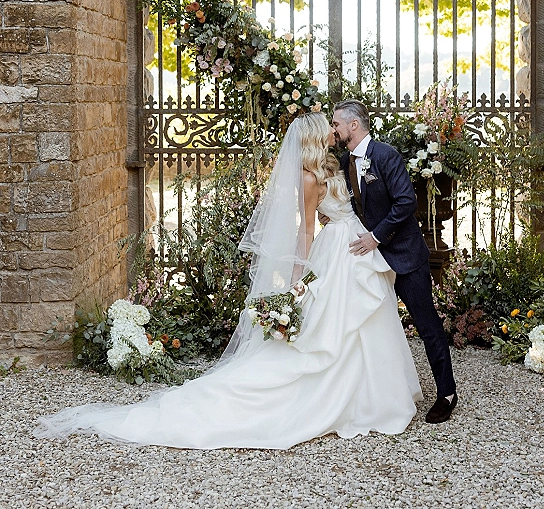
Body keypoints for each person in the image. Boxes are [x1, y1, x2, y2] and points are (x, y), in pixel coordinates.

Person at [35, 113, 422, 450]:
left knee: (361, 321)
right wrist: (297, 278)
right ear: (313, 138)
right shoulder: (306, 179)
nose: (332, 133)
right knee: (337, 324)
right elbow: (305, 229)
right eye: (327, 129)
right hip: (337, 251)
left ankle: (369, 395)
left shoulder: (331, 165)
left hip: (354, 246)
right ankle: (350, 398)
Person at [331, 99, 458, 424]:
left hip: (402, 256)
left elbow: (406, 202)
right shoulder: (346, 160)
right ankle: (379, 394)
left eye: (337, 124)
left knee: (427, 324)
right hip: (369, 263)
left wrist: (376, 236)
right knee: (376, 328)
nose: (335, 129)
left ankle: (447, 393)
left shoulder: (385, 155)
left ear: (353, 125)